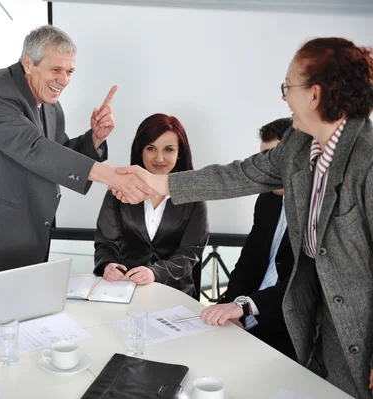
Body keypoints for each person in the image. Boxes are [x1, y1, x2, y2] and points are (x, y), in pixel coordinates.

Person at [116, 37, 373, 398]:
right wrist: (159, 181)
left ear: (315, 95)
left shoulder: (368, 159)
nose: (284, 97)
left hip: (359, 330)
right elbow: (237, 175)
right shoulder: (298, 147)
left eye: (289, 87)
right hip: (309, 321)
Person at [0, 25, 155, 284]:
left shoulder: (52, 108)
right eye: (56, 70)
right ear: (28, 63)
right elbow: (34, 148)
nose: (64, 80)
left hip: (28, 241)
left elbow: (57, 156)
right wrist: (113, 177)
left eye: (70, 71)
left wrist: (95, 138)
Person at [201, 117, 297, 360]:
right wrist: (232, 307)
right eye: (264, 159)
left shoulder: (318, 209)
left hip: (289, 326)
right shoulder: (268, 199)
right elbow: (249, 261)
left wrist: (244, 307)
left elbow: (301, 285)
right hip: (248, 315)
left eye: (276, 158)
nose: (269, 169)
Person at [94, 113, 208, 298]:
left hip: (176, 294)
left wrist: (155, 273)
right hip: (125, 290)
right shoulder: (118, 191)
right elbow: (106, 242)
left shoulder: (193, 196)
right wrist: (107, 265)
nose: (160, 158)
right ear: (141, 150)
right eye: (151, 148)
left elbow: (190, 252)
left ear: (180, 153)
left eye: (169, 149)